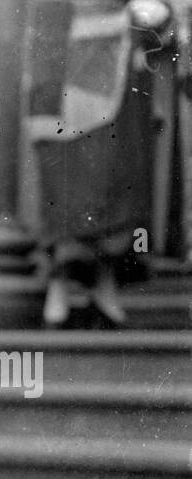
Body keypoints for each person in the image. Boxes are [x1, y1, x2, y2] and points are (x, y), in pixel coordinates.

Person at [30, 0, 191, 326]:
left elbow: (164, 17)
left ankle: (105, 284)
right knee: (72, 179)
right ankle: (59, 284)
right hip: (70, 66)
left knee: (118, 181)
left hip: (125, 77)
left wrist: (160, 13)